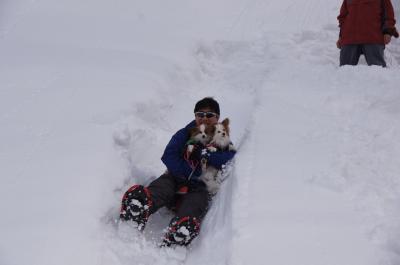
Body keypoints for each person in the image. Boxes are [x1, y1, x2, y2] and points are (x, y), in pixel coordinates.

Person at [119, 97, 236, 247]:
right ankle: (140, 206)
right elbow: (168, 155)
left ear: (217, 118)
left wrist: (208, 156)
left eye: (209, 115)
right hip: (175, 177)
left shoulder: (221, 136)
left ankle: (181, 228)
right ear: (195, 116)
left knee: (196, 201)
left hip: (199, 186)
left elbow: (228, 157)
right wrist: (186, 171)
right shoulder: (185, 133)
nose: (204, 118)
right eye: (200, 114)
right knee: (163, 185)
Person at [337, 0, 399, 67]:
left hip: (372, 37)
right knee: (344, 71)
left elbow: (388, 13)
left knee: (377, 70)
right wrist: (341, 36)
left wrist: (388, 31)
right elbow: (343, 17)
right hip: (349, 38)